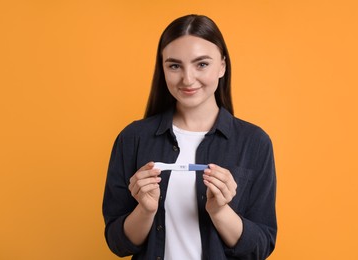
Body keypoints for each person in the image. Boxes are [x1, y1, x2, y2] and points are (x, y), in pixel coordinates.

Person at [102, 14, 277, 259]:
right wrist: (145, 210)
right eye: (174, 65)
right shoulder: (132, 139)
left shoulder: (255, 143)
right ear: (162, 68)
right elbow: (117, 243)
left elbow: (261, 246)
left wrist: (220, 212)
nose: (187, 79)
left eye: (202, 64)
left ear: (222, 66)